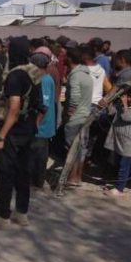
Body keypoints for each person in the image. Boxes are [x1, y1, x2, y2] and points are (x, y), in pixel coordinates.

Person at [0, 51, 47, 228]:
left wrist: (1, 136)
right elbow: (42, 108)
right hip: (28, 131)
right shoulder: (35, 76)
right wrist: (34, 126)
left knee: (5, 173)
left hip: (13, 132)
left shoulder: (15, 76)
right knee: (23, 173)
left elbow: (13, 110)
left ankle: (2, 217)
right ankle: (21, 213)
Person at [63, 47, 94, 187]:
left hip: (76, 117)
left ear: (70, 58)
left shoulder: (75, 75)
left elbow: (75, 97)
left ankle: (70, 177)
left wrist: (70, 112)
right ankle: (77, 178)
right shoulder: (87, 74)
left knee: (72, 148)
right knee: (81, 147)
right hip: (86, 115)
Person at [29, 47, 57, 189]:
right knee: (38, 154)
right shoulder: (45, 79)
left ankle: (37, 182)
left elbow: (43, 107)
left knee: (39, 156)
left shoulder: (44, 80)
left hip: (42, 126)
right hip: (44, 125)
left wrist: (36, 124)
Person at [104, 50, 131, 197]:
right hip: (124, 129)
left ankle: (120, 187)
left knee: (125, 160)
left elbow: (127, 117)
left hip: (127, 131)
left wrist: (124, 105)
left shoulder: (126, 75)